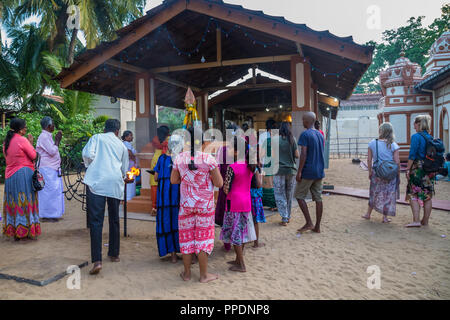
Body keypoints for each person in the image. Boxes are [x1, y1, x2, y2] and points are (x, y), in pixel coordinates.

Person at [171, 126, 223, 283]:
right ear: (203, 141)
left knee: (186, 239)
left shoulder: (179, 159)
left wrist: (187, 180)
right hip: (205, 206)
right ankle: (203, 275)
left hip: (186, 205)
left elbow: (173, 180)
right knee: (203, 239)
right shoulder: (209, 160)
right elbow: (219, 183)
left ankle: (186, 274)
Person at [82, 119, 129, 275]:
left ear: (105, 129)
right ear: (117, 131)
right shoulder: (122, 145)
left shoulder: (97, 137)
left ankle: (97, 260)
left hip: (97, 182)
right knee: (114, 218)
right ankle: (114, 254)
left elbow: (88, 154)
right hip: (114, 183)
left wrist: (91, 166)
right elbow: (125, 168)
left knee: (96, 221)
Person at [220, 136, 257, 272]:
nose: (228, 150)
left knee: (235, 234)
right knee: (242, 231)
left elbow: (225, 188)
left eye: (230, 148)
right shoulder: (250, 166)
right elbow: (255, 184)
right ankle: (238, 259)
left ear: (236, 151)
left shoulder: (232, 167)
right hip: (246, 202)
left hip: (233, 203)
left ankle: (241, 264)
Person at [2, 118, 41, 240]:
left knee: (13, 201)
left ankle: (15, 230)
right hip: (23, 174)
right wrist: (30, 143)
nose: (26, 128)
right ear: (19, 129)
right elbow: (34, 155)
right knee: (25, 200)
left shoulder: (6, 142)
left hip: (10, 175)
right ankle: (26, 230)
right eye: (25, 126)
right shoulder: (22, 140)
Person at [362, 122, 400, 223]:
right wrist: (398, 175)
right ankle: (385, 217)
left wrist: (370, 171)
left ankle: (368, 214)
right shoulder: (393, 145)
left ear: (380, 131)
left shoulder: (372, 143)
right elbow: (397, 162)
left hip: (377, 172)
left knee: (374, 193)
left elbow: (369, 160)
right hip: (390, 173)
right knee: (388, 194)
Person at [295, 112, 325, 233]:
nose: (302, 122)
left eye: (303, 119)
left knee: (299, 196)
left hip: (308, 171)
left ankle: (309, 222)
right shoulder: (320, 134)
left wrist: (299, 171)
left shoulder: (305, 134)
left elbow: (303, 154)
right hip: (319, 171)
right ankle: (317, 226)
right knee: (318, 198)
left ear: (307, 121)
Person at [154, 135, 181, 263]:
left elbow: (155, 178)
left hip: (164, 199)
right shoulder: (181, 159)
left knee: (166, 223)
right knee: (178, 223)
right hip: (177, 198)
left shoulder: (161, 159)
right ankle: (185, 253)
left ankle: (173, 255)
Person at [405, 115, 435, 228]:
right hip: (429, 169)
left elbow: (412, 155)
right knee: (427, 195)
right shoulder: (430, 137)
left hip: (418, 168)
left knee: (414, 193)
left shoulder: (416, 137)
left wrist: (408, 169)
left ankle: (416, 220)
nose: (413, 126)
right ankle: (425, 221)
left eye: (414, 123)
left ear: (419, 124)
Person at [36, 116, 64, 222]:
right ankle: (48, 215)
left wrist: (56, 140)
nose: (54, 126)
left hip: (51, 168)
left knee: (53, 191)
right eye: (53, 124)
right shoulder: (43, 137)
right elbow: (52, 151)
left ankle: (52, 214)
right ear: (48, 126)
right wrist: (57, 140)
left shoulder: (47, 136)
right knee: (48, 192)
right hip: (47, 169)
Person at [215, 124, 238, 252]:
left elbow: (217, 168)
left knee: (226, 214)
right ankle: (238, 243)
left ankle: (227, 243)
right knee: (238, 214)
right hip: (238, 187)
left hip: (225, 186)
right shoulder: (241, 150)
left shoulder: (221, 150)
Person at [273, 122, 299, 226]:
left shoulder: (275, 140)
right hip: (291, 171)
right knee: (289, 195)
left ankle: (284, 217)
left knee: (280, 194)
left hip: (279, 170)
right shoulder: (293, 139)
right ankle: (288, 217)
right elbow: (297, 155)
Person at [150, 125, 170, 216]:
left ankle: (154, 207)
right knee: (165, 183)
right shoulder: (169, 139)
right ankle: (164, 207)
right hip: (166, 160)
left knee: (154, 185)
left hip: (155, 160)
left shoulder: (155, 139)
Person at [259, 119, 277, 211]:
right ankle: (275, 204)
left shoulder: (263, 136)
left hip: (267, 163)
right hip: (276, 163)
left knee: (266, 184)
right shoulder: (278, 137)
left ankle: (269, 203)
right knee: (274, 184)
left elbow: (261, 152)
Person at [250, 165, 265, 248]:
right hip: (255, 196)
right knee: (255, 220)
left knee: (248, 219)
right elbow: (259, 184)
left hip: (246, 194)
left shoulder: (245, 167)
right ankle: (256, 243)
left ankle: (248, 239)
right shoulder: (255, 169)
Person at [122, 130, 137, 201]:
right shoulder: (126, 143)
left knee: (130, 181)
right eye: (130, 135)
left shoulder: (126, 143)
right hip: (130, 166)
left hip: (130, 166)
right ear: (126, 137)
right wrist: (134, 159)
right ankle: (128, 198)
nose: (132, 137)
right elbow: (129, 152)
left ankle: (128, 197)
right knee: (130, 181)